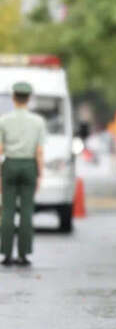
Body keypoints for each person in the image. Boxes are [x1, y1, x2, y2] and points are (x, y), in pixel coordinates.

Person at [0, 82, 46, 267]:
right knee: (27, 211)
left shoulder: (4, 120)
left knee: (7, 211)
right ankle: (24, 254)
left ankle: (6, 254)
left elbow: (1, 148)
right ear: (28, 99)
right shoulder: (38, 122)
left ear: (13, 98)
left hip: (10, 164)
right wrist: (40, 174)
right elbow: (39, 151)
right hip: (29, 165)